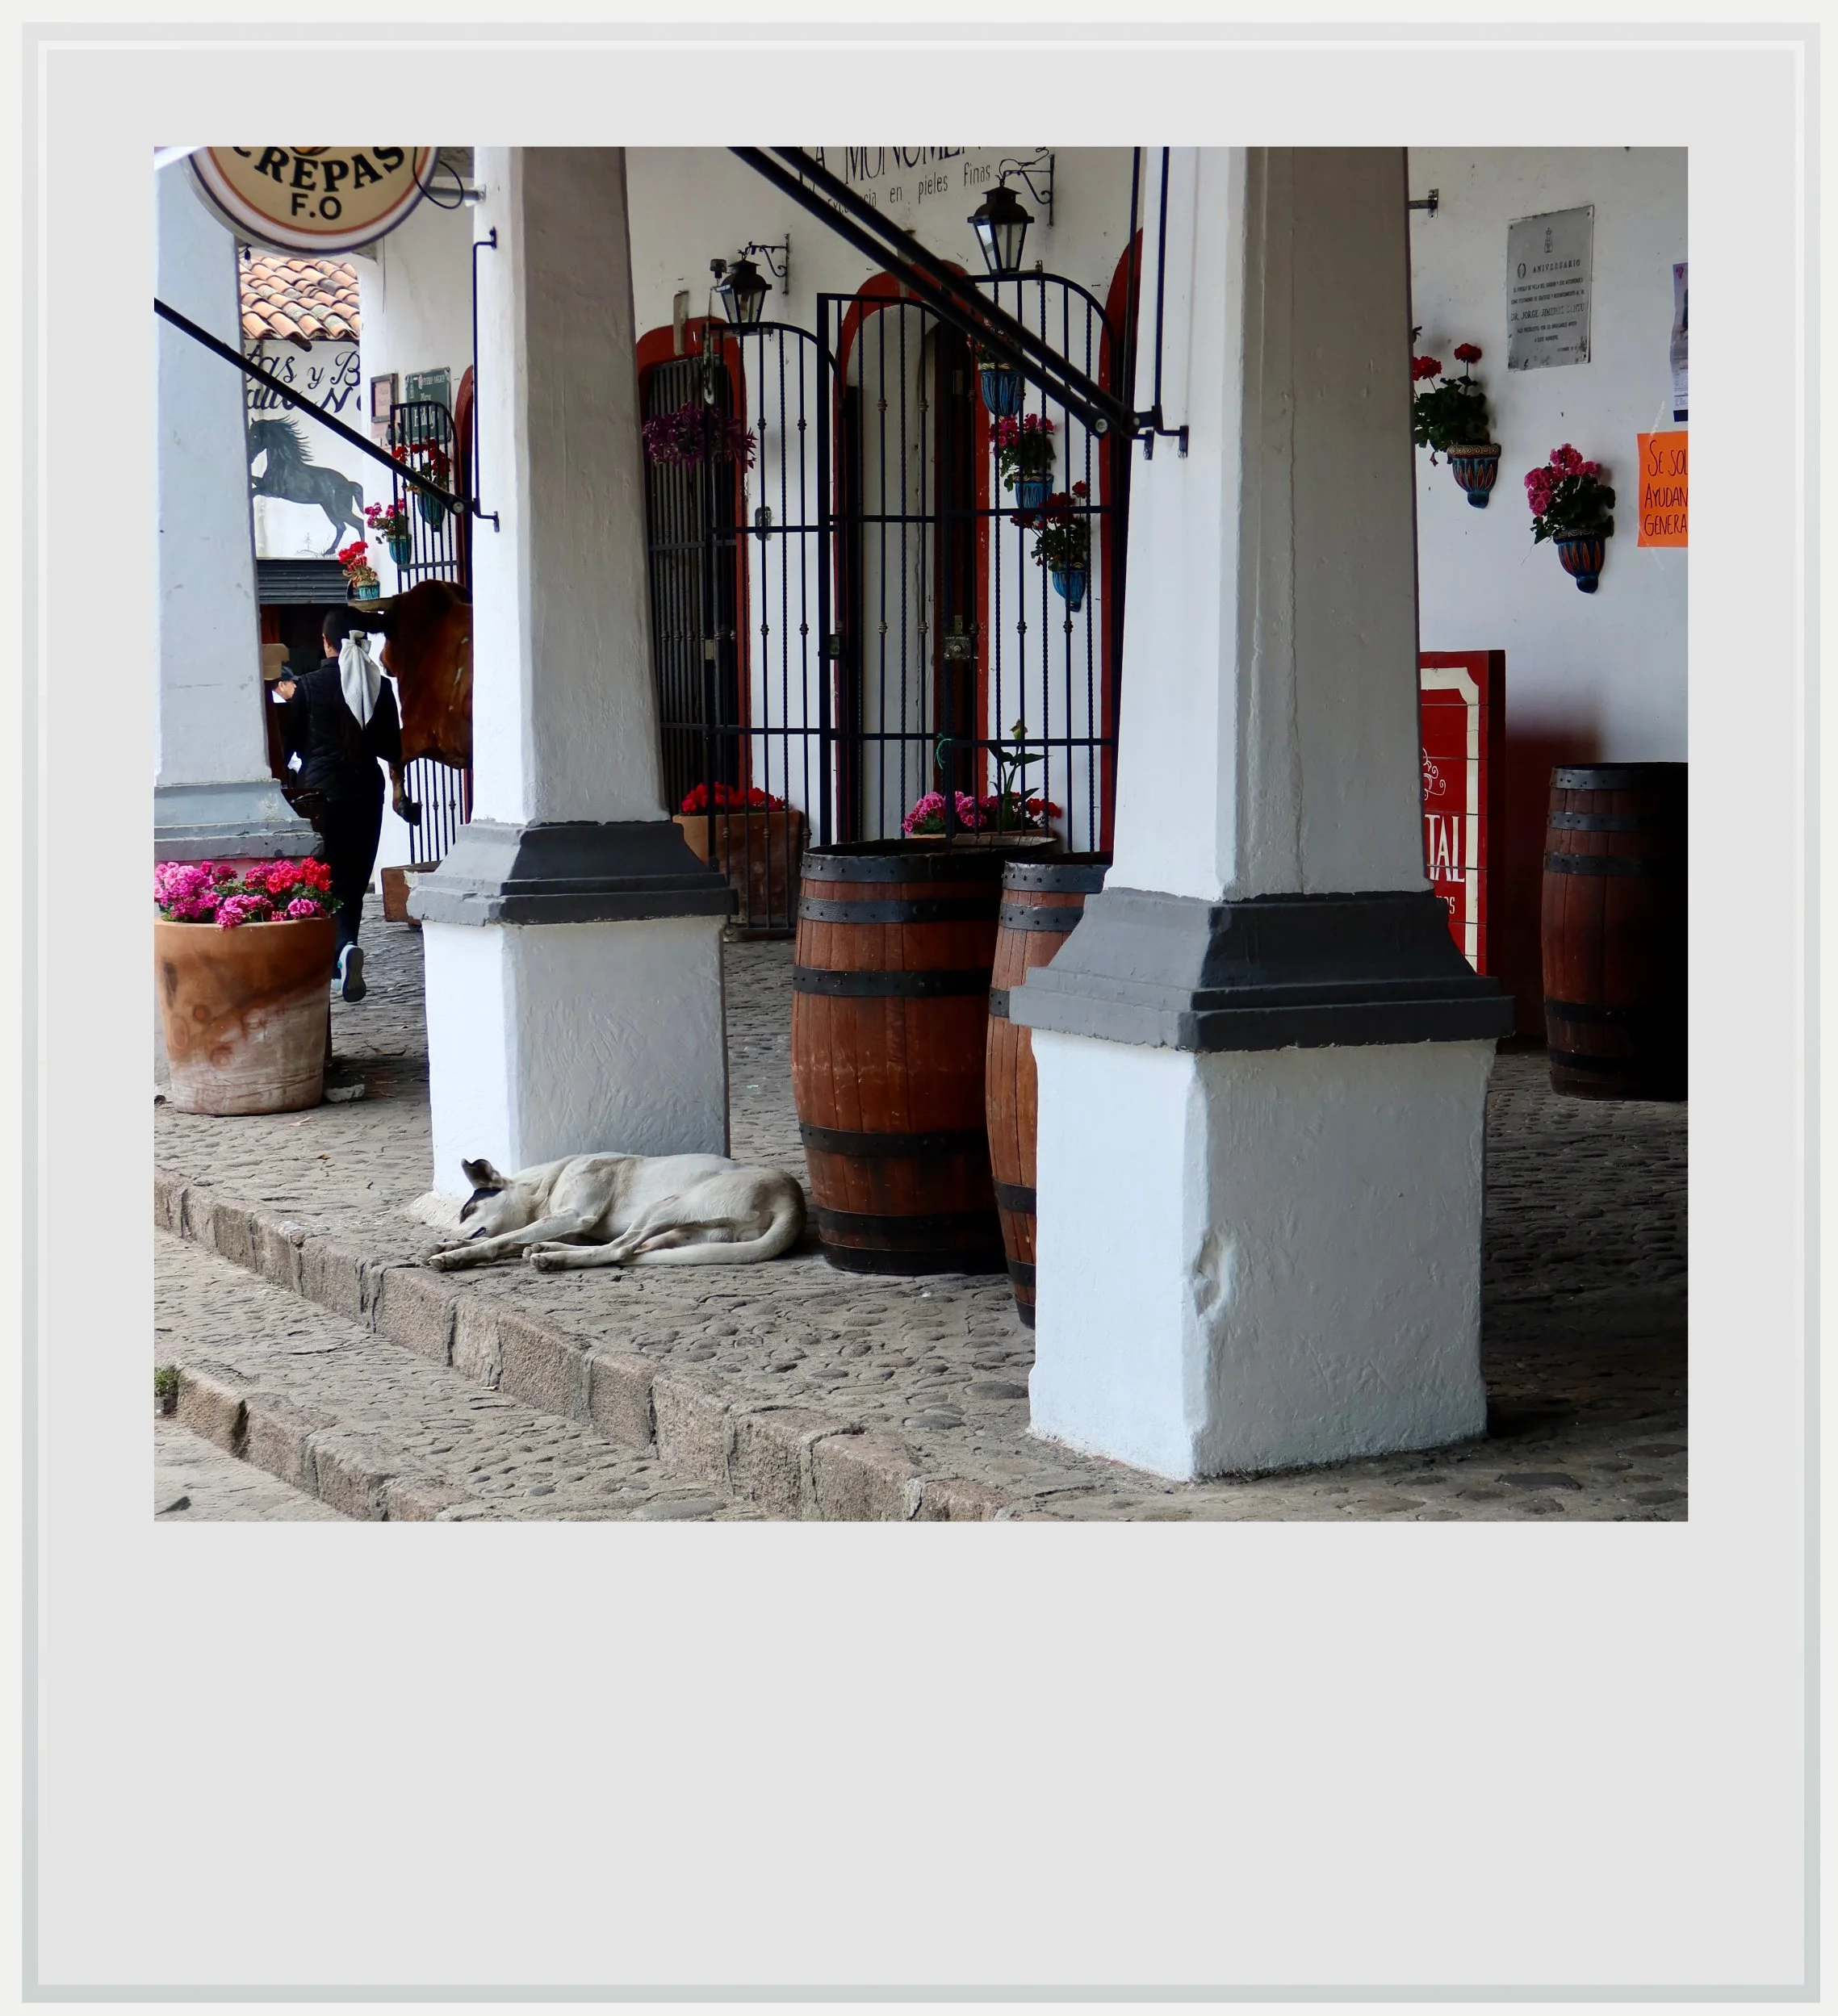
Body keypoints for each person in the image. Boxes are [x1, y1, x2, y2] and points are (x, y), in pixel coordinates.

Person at [280, 606, 402, 1002]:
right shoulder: (380, 687)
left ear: (326, 642)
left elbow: (291, 746)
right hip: (366, 793)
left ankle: (335, 958)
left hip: (320, 797)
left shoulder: (308, 686)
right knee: (353, 880)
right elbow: (391, 747)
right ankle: (346, 949)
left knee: (324, 879)